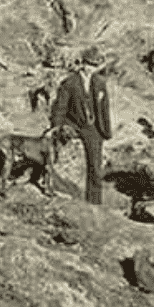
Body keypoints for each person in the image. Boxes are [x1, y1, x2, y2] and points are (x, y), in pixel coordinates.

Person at [50, 46, 114, 204]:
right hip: (74, 124)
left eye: (94, 66)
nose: (90, 69)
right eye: (88, 64)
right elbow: (60, 107)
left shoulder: (100, 83)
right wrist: (57, 127)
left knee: (95, 167)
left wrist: (106, 131)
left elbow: (105, 109)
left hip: (93, 128)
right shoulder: (69, 83)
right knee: (56, 155)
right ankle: (61, 191)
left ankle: (94, 203)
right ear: (82, 63)